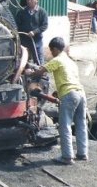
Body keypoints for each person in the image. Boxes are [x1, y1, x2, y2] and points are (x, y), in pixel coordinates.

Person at [25, 37, 88, 165]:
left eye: (51, 50)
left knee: (65, 125)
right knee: (81, 124)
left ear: (54, 49)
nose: (51, 53)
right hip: (81, 94)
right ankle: (82, 153)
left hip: (69, 94)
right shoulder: (71, 62)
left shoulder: (57, 60)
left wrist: (29, 73)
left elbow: (40, 72)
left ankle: (67, 157)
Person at [15, 0, 48, 65]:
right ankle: (24, 75)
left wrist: (34, 32)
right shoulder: (22, 12)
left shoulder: (42, 12)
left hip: (36, 41)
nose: (29, 1)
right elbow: (16, 24)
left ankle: (39, 75)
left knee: (38, 60)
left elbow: (44, 26)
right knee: (23, 61)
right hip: (24, 41)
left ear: (36, 0)